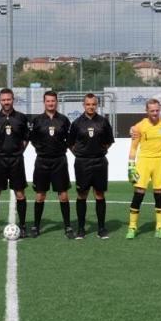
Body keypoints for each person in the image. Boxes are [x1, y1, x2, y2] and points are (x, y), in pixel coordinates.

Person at [0, 88, 31, 238]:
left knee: (20, 193)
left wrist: (18, 151)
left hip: (16, 160)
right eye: (3, 100)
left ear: (13, 100)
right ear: (0, 101)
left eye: (8, 99)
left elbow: (26, 139)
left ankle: (23, 226)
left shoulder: (22, 118)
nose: (6, 102)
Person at [67, 92, 115, 239]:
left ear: (97, 105)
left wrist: (100, 151)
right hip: (82, 163)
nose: (91, 107)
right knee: (82, 194)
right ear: (83, 105)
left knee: (99, 194)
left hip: (100, 162)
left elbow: (108, 141)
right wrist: (81, 154)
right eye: (88, 104)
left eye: (93, 104)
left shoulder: (103, 122)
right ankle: (81, 229)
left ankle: (101, 228)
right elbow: (70, 143)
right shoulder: (76, 123)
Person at [29, 90, 74, 238]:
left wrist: (61, 149)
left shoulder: (64, 120)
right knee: (40, 195)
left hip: (59, 161)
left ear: (56, 102)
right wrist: (41, 149)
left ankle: (68, 226)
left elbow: (70, 139)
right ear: (44, 102)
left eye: (53, 101)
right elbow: (32, 139)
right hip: (42, 161)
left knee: (63, 195)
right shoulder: (37, 121)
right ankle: (36, 226)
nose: (50, 103)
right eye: (48, 101)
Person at [126, 98, 161, 239]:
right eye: (152, 111)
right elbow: (133, 148)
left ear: (160, 109)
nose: (155, 113)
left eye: (157, 110)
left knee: (159, 194)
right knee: (139, 193)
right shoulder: (138, 127)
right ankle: (132, 227)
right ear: (146, 111)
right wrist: (131, 166)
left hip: (160, 162)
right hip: (144, 162)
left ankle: (159, 227)